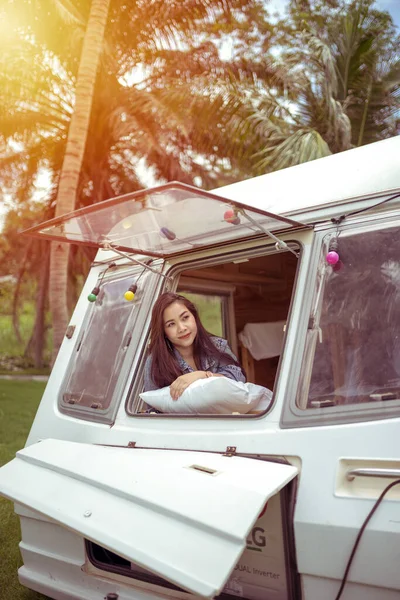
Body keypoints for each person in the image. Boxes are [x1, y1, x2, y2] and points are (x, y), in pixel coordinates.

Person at [143, 292, 246, 400]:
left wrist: (201, 376)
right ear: (164, 332)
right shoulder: (156, 362)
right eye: (171, 324)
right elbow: (153, 411)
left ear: (194, 317)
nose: (182, 328)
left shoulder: (218, 346)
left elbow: (238, 380)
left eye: (185, 317)